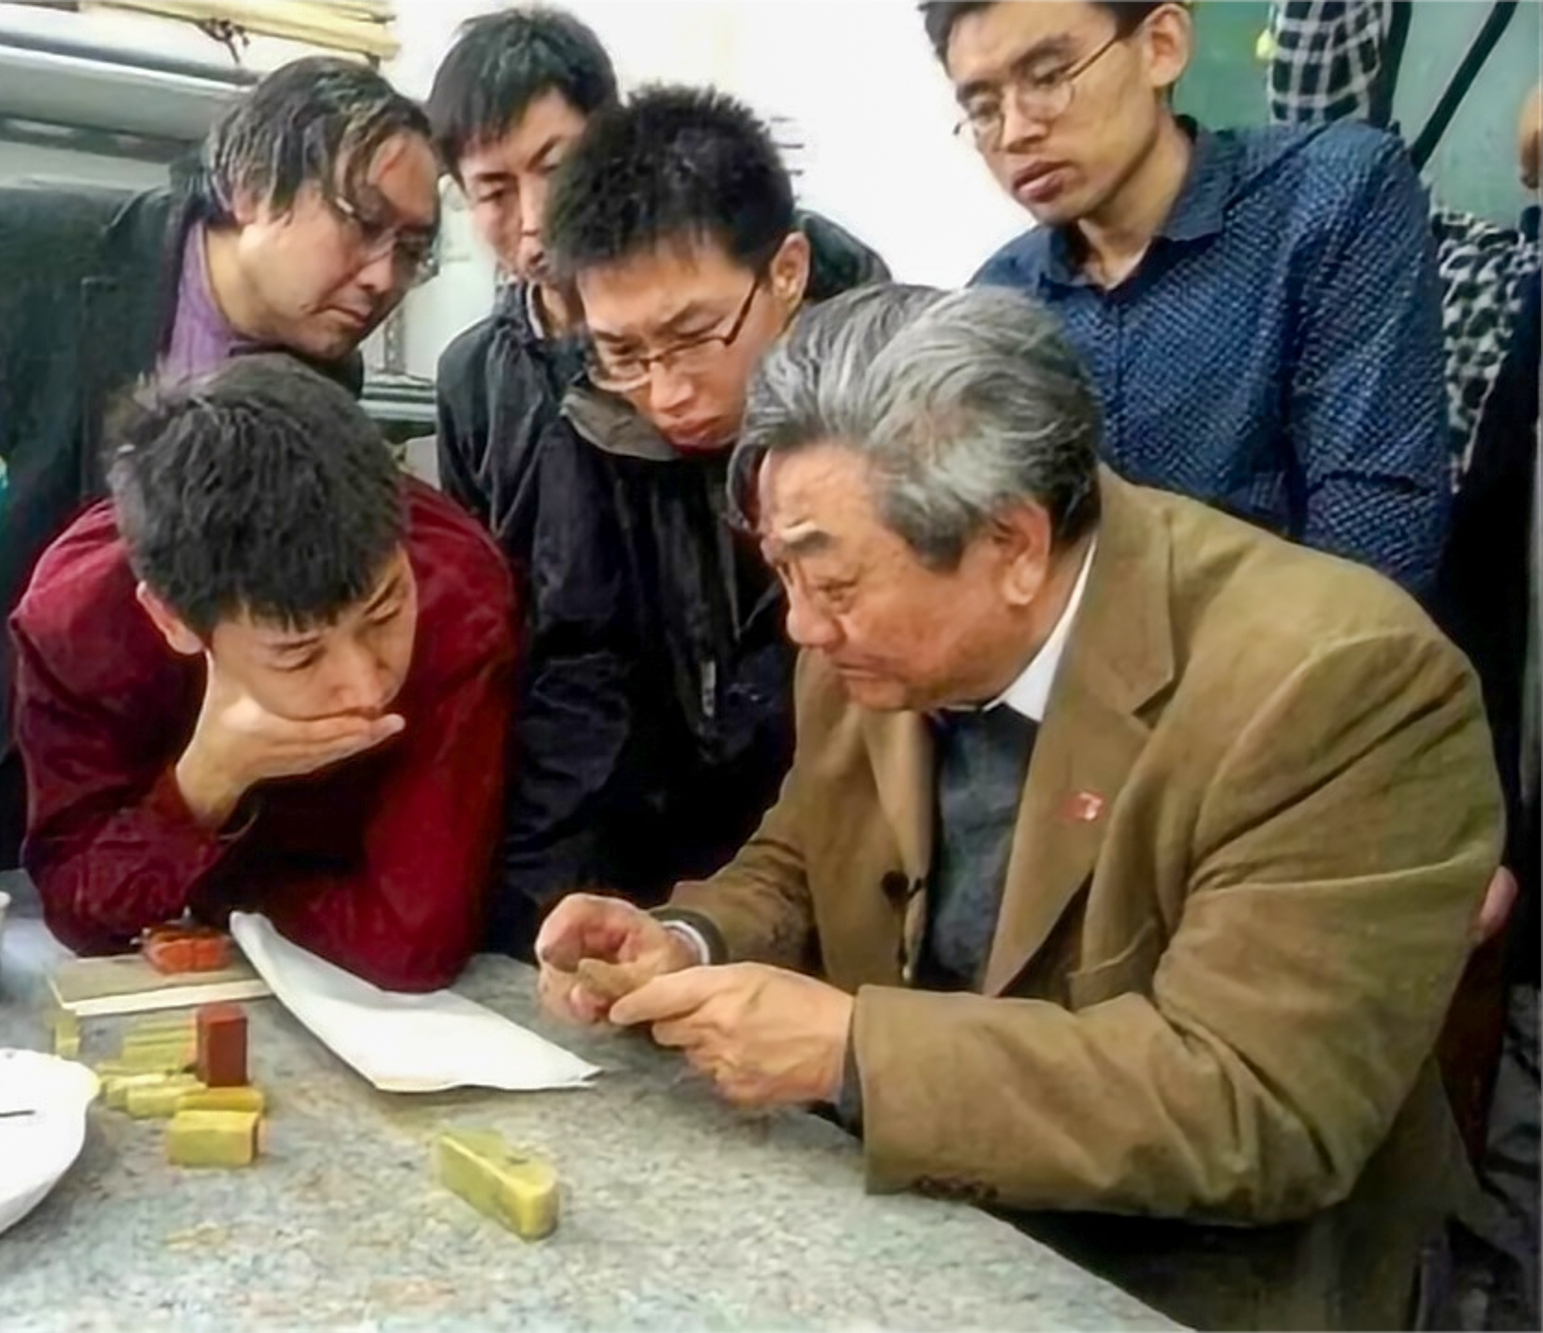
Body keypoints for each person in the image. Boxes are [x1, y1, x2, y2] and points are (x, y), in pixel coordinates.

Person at [536, 285, 1502, 1332]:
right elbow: (806, 853)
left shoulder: (1336, 684)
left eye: (835, 584)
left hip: (1193, 1280)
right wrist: (689, 941)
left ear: (1013, 546)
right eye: (783, 572)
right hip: (918, 1232)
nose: (803, 626)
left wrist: (856, 1052)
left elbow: (1256, 1104)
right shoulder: (864, 643)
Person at [0, 56, 439, 881]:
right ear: (250, 184)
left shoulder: (323, 387)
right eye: (362, 222)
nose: (384, 275)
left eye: (411, 249)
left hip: (95, 830)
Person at [486, 85, 889, 954]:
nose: (665, 390)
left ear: (787, 272)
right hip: (690, 900)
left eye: (696, 335)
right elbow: (578, 695)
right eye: (623, 351)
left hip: (869, 882)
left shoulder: (906, 416)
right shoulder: (593, 429)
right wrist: (530, 936)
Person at [9, 356, 517, 991]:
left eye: (385, 614)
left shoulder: (455, 588)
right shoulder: (80, 626)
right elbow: (81, 911)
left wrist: (209, 885)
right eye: (300, 654)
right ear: (173, 622)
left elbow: (410, 940)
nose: (365, 687)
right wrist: (205, 783)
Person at [932, 0, 1449, 595]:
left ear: (1162, 45)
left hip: (1315, 643)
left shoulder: (1329, 198)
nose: (1016, 132)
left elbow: (1376, 537)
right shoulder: (1001, 305)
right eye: (984, 109)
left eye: (1048, 78)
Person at [427, 5, 617, 569]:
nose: (535, 219)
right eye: (494, 192)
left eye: (556, 169)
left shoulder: (691, 331)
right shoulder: (469, 378)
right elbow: (476, 578)